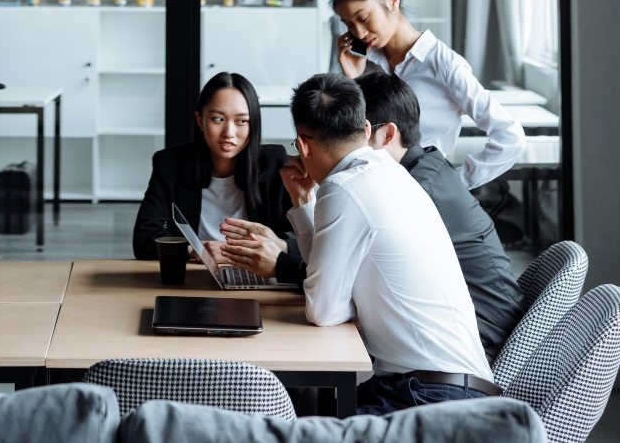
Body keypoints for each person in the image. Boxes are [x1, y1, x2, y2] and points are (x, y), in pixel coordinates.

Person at [283, 72, 499, 415]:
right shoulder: (393, 172)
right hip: (456, 388)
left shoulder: (343, 188)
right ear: (367, 131)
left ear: (304, 144)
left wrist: (346, 306)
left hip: (432, 399)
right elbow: (326, 293)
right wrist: (303, 201)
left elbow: (323, 310)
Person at [357, 72, 526, 359]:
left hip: (478, 345)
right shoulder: (423, 169)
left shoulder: (416, 189)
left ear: (387, 134)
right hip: (469, 330)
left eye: (354, 134)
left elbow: (357, 262)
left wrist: (285, 261)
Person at [333, 0, 525, 189]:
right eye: (349, 24)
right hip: (374, 189)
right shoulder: (364, 64)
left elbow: (511, 137)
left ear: (392, 0)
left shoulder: (444, 65)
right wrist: (354, 80)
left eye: (363, 18)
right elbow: (353, 140)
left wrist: (454, 183)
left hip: (424, 195)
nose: (358, 31)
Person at [132, 71, 292, 262]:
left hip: (258, 273)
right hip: (195, 272)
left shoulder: (275, 163)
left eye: (241, 121)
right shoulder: (170, 164)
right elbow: (144, 241)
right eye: (218, 119)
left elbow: (301, 240)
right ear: (200, 120)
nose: (229, 133)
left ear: (253, 125)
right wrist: (197, 251)